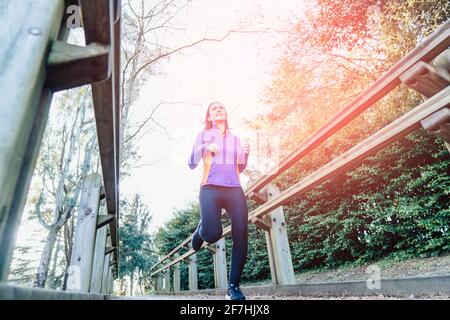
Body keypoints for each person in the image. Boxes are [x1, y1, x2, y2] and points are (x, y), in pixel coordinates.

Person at [188, 101, 250, 300]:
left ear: (225, 114)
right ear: (209, 117)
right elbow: (191, 163)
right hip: (210, 189)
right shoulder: (203, 136)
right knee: (213, 234)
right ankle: (200, 232)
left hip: (234, 190)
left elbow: (238, 168)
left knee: (241, 234)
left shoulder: (236, 139)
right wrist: (206, 146)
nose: (218, 109)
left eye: (221, 107)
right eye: (214, 108)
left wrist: (245, 155)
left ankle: (233, 287)